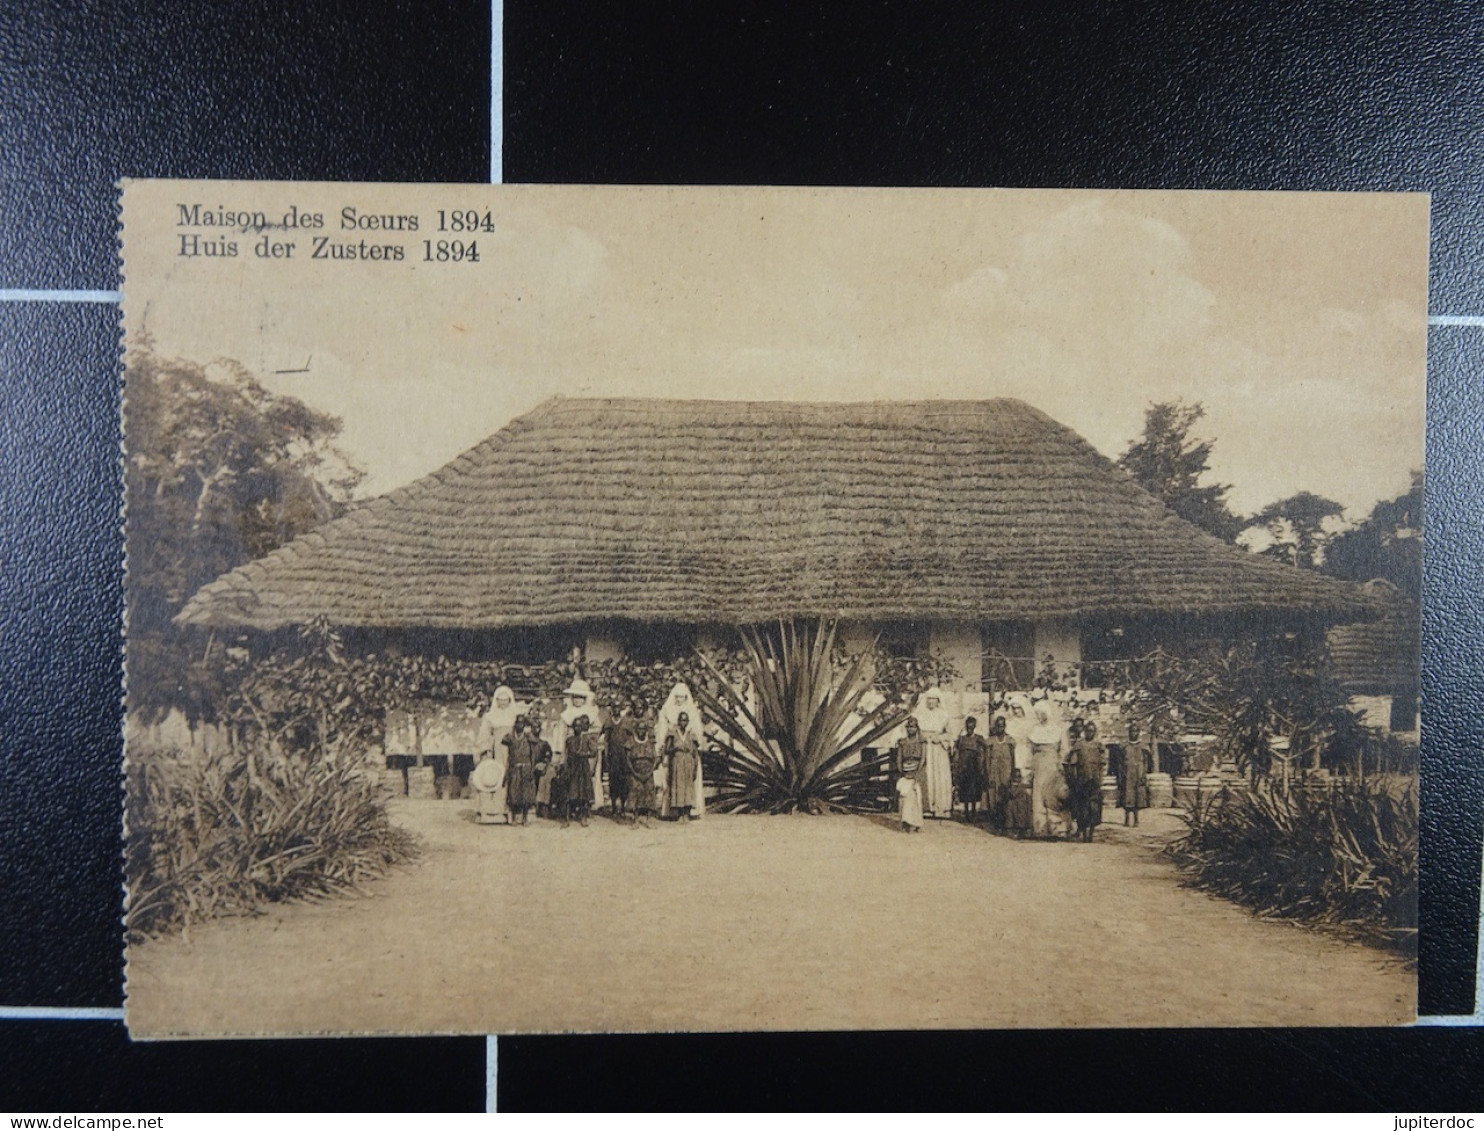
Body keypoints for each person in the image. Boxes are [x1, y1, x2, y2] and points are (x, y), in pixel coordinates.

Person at [474, 685, 524, 823]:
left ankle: (508, 811)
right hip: (495, 751)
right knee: (492, 777)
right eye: (499, 700)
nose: (502, 702)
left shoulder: (515, 716)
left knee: (510, 779)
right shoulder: (490, 717)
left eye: (505, 700)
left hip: (511, 751)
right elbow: (484, 734)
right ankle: (489, 813)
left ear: (510, 700)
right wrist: (487, 748)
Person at [656, 683, 706, 820]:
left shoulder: (692, 710)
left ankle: (690, 810)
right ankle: (672, 811)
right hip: (673, 747)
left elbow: (697, 729)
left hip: (688, 748)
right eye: (677, 697)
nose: (679, 700)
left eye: (682, 697)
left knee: (690, 781)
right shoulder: (667, 709)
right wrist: (663, 742)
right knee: (671, 781)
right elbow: (662, 728)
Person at [560, 679, 605, 811]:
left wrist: (588, 737)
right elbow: (562, 734)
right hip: (572, 748)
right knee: (572, 775)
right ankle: (573, 803)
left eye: (581, 698)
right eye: (575, 698)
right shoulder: (566, 715)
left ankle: (588, 803)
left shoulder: (592, 713)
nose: (578, 701)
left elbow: (598, 729)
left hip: (587, 749)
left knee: (589, 775)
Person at [1028, 701, 1071, 839]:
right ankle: (1041, 828)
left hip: (1053, 767)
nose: (1041, 716)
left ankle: (1058, 828)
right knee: (1039, 797)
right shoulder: (1034, 730)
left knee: (1054, 796)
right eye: (1038, 714)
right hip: (1039, 767)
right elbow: (1030, 751)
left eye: (1043, 713)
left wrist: (1061, 764)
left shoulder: (1058, 730)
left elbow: (1064, 750)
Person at [912, 687, 954, 818]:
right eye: (929, 699)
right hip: (925, 748)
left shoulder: (944, 716)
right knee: (926, 775)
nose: (931, 702)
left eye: (933, 699)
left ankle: (940, 808)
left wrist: (941, 738)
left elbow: (950, 734)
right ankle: (925, 807)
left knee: (939, 776)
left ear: (938, 701)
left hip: (938, 749)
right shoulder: (920, 715)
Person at [1065, 719, 1107, 842]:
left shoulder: (1099, 746)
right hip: (1082, 781)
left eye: (1092, 731)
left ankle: (1091, 833)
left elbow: (1103, 764)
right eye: (1088, 731)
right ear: (1084, 731)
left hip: (1094, 781)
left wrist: (1100, 778)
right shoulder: (1079, 745)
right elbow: (1072, 761)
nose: (1090, 733)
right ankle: (1082, 832)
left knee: (1093, 808)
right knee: (1082, 808)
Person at [501, 714, 541, 826]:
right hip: (514, 768)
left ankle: (525, 818)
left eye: (522, 724)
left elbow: (534, 747)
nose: (520, 726)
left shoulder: (529, 738)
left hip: (526, 768)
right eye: (518, 723)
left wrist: (530, 721)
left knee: (526, 795)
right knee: (513, 793)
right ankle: (513, 817)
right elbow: (504, 750)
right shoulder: (509, 737)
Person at [605, 700, 642, 817]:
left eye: (618, 707)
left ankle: (622, 806)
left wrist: (629, 753)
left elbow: (631, 737)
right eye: (614, 707)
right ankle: (614, 807)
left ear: (621, 708)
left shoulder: (626, 722)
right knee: (613, 781)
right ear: (611, 708)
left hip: (623, 755)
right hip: (613, 756)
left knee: (623, 781)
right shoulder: (609, 722)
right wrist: (606, 755)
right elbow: (606, 740)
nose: (616, 709)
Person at [561, 714, 598, 827]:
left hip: (583, 767)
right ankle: (566, 819)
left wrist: (584, 754)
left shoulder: (587, 739)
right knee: (569, 793)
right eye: (575, 726)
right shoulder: (569, 740)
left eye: (579, 726)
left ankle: (583, 817)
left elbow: (593, 753)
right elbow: (566, 754)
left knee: (583, 793)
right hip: (572, 767)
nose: (577, 728)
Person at [664, 710, 702, 820]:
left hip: (689, 764)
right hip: (677, 764)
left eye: (685, 720)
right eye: (681, 720)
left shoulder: (691, 735)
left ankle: (687, 812)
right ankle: (680, 813)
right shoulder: (673, 733)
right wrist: (676, 748)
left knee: (688, 787)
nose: (683, 722)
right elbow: (667, 750)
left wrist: (695, 767)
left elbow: (695, 753)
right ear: (678, 721)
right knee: (678, 787)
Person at [982, 714, 1016, 832]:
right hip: (993, 773)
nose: (1000, 728)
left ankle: (1005, 824)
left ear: (1005, 726)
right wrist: (987, 774)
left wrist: (1012, 775)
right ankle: (996, 824)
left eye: (1002, 726)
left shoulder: (1010, 741)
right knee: (993, 798)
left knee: (1005, 798)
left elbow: (1013, 759)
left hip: (1006, 773)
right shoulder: (991, 742)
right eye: (998, 726)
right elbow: (987, 759)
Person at [893, 717, 930, 824]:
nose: (910, 729)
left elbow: (923, 758)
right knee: (904, 797)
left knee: (915, 796)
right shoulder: (902, 742)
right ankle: (905, 820)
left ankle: (915, 821)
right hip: (905, 771)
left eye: (913, 727)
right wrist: (901, 770)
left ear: (917, 728)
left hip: (917, 770)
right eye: (908, 727)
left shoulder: (922, 741)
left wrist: (917, 772)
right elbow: (899, 757)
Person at [953, 716, 989, 821]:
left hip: (974, 767)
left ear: (974, 726)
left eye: (972, 726)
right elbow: (957, 751)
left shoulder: (979, 738)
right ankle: (966, 811)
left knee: (973, 790)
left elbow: (985, 749)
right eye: (968, 726)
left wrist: (981, 763)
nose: (970, 728)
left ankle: (973, 811)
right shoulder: (962, 738)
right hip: (964, 767)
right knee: (965, 790)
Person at [627, 715, 659, 827]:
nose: (641, 731)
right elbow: (628, 759)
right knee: (636, 792)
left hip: (648, 772)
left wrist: (650, 772)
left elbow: (655, 758)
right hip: (635, 772)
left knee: (649, 793)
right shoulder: (631, 741)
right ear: (636, 730)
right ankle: (635, 819)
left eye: (643, 729)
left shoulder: (650, 742)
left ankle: (648, 819)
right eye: (639, 729)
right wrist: (634, 773)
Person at [1119, 720, 1153, 827]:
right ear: (1129, 732)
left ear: (1138, 733)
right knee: (1127, 797)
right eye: (1132, 731)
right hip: (1127, 774)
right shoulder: (1124, 747)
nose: (1133, 733)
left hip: (1138, 774)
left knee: (1137, 797)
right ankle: (1126, 818)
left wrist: (1144, 774)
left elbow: (1147, 762)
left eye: (1135, 731)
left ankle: (1136, 819)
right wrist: (1121, 775)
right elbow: (1120, 762)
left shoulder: (1143, 747)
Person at [895, 748, 925, 832]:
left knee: (913, 813)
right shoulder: (902, 780)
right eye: (907, 773)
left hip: (912, 802)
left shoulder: (914, 782)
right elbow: (898, 788)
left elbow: (918, 793)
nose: (908, 774)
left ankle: (916, 825)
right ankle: (906, 825)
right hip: (903, 800)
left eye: (911, 773)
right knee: (904, 813)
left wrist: (917, 798)